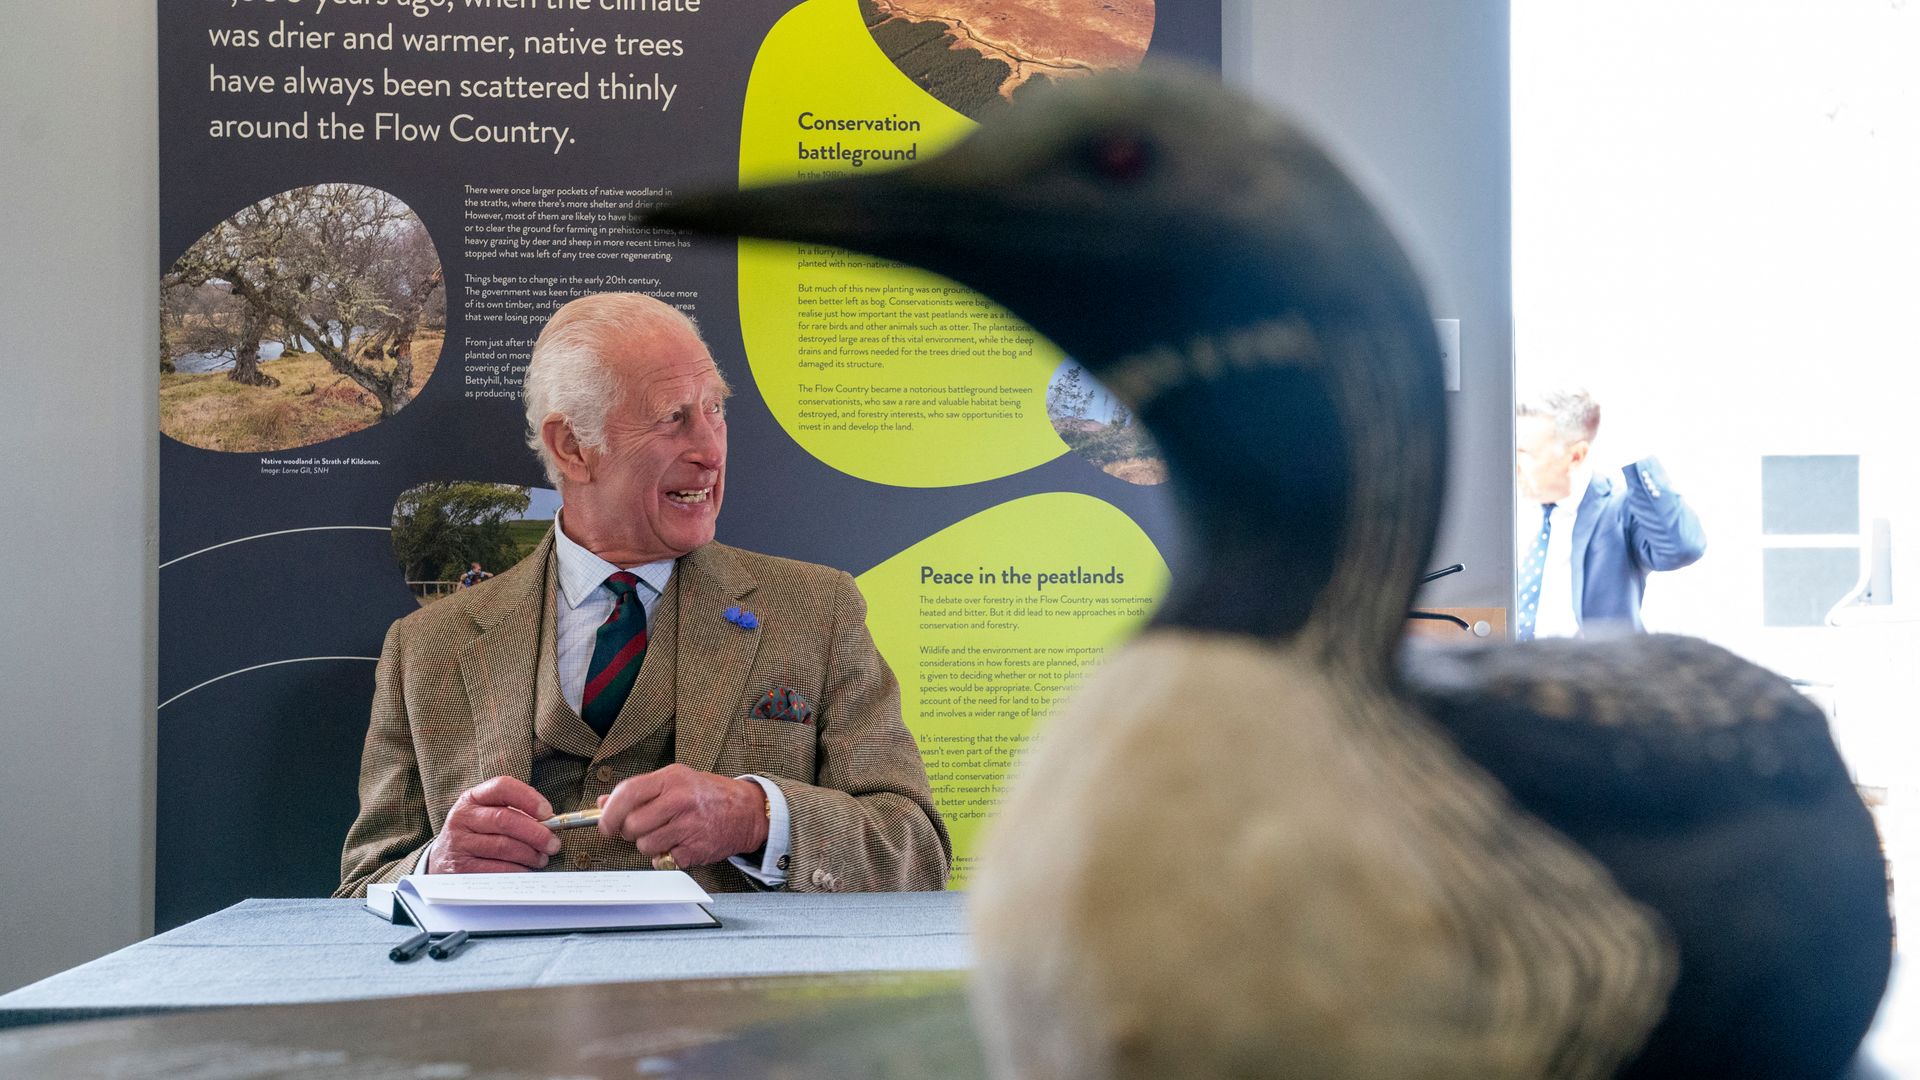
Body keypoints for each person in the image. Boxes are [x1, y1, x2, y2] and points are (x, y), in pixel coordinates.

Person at [338, 293, 950, 897]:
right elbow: (364, 882)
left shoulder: (817, 610)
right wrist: (433, 868)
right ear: (571, 447)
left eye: (715, 410)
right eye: (672, 418)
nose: (711, 451)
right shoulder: (424, 647)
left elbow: (917, 853)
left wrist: (758, 817)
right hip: (511, 993)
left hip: (735, 993)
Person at [1513, 388, 1706, 639]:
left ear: (1575, 456)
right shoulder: (1501, 509)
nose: (1512, 462)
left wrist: (1635, 454)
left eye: (1525, 453)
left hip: (1590, 673)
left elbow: (1683, 548)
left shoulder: (1619, 509)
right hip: (1505, 670)